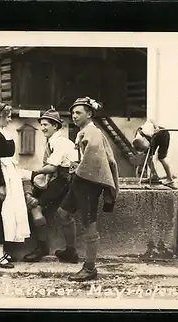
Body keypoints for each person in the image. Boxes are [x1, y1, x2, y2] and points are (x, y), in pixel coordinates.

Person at [55, 97, 119, 282]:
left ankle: (90, 268)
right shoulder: (84, 131)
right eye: (73, 113)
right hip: (80, 180)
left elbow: (95, 159)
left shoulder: (94, 133)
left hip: (89, 183)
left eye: (78, 113)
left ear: (89, 114)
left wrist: (78, 171)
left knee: (89, 223)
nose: (74, 116)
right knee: (63, 213)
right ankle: (70, 251)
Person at [22, 107, 78, 262]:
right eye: (42, 124)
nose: (43, 128)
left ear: (56, 126)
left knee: (36, 206)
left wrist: (32, 173)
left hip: (64, 179)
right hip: (57, 178)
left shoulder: (60, 142)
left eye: (46, 124)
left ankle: (42, 247)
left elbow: (52, 167)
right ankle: (68, 250)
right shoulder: (53, 141)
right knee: (37, 204)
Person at [0, 102, 30, 269]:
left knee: (8, 213)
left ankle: (1, 250)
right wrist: (0, 185)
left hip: (9, 174)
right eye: (7, 116)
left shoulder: (4, 132)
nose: (10, 119)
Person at [132, 119, 176, 188]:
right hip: (154, 137)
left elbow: (151, 119)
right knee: (148, 155)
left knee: (161, 158)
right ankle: (154, 176)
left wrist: (156, 128)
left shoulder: (146, 130)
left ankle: (170, 179)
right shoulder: (138, 138)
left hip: (163, 134)